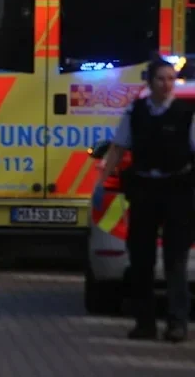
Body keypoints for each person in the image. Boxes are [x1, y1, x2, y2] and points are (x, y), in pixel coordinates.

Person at [98, 57, 195, 342]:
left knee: (175, 260)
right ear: (149, 83)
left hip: (177, 191)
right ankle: (145, 323)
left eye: (170, 79)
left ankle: (177, 324)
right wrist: (103, 182)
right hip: (144, 191)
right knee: (141, 260)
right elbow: (118, 147)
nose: (166, 85)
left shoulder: (186, 113)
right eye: (160, 79)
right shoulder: (136, 111)